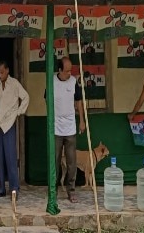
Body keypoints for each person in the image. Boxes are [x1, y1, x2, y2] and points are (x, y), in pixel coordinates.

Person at [44, 56, 86, 203]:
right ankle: (53, 189)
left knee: (71, 161)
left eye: (71, 70)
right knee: (54, 160)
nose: (70, 73)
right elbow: (46, 99)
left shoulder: (74, 82)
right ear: (60, 70)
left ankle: (71, 190)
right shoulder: (52, 81)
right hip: (55, 127)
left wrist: (81, 120)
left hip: (70, 128)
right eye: (67, 71)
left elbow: (79, 101)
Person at [0, 60, 30, 198]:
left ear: (7, 70)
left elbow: (26, 97)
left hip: (9, 124)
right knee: (0, 158)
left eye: (2, 71)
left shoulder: (14, 84)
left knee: (11, 157)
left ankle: (14, 188)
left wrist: (19, 112)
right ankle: (1, 188)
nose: (0, 74)